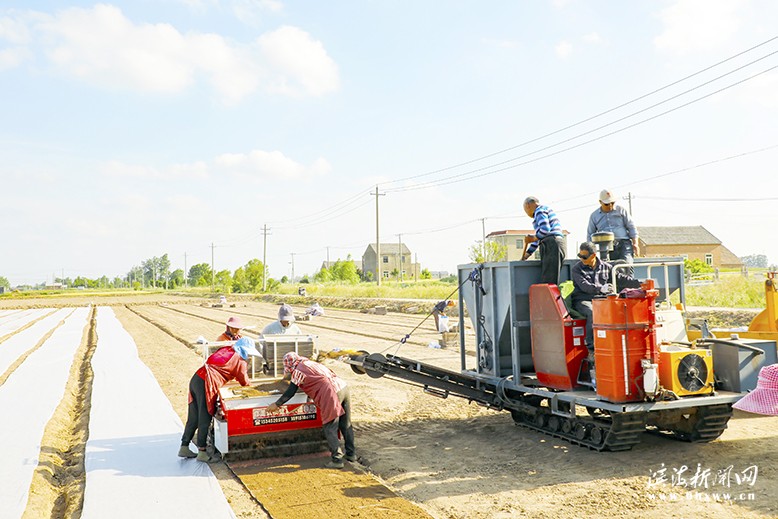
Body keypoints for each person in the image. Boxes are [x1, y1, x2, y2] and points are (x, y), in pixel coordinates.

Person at [266, 352, 357, 469]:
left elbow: (291, 391)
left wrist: (277, 404)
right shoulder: (310, 363)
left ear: (290, 366)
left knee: (330, 426)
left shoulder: (298, 371)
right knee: (345, 423)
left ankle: (337, 459)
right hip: (343, 386)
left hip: (331, 391)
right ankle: (351, 454)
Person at [179, 337, 264, 462]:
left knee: (194, 416)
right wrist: (254, 390)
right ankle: (202, 452)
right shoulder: (240, 359)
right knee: (205, 416)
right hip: (206, 382)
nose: (249, 357)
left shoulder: (226, 349)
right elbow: (244, 381)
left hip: (197, 378)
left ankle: (184, 446)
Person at [571, 242, 641, 353]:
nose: (581, 259)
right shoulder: (577, 269)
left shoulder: (606, 267)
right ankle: (592, 349)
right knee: (592, 312)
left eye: (584, 257)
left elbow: (621, 278)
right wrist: (600, 288)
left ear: (593, 255)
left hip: (602, 299)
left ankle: (620, 344)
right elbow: (585, 286)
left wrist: (640, 283)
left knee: (621, 311)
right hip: (583, 299)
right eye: (580, 256)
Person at [521, 196, 566, 285]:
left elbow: (545, 230)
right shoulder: (545, 210)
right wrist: (527, 254)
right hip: (556, 242)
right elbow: (539, 238)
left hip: (551, 244)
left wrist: (532, 238)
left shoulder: (539, 210)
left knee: (549, 282)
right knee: (550, 278)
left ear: (527, 205)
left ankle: (548, 299)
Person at [587, 189, 640, 264]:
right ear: (600, 202)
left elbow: (631, 226)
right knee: (608, 268)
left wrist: (635, 244)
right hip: (605, 247)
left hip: (624, 244)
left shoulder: (621, 210)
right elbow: (590, 234)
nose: (610, 205)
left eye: (612, 203)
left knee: (627, 266)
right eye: (607, 204)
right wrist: (590, 251)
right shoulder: (594, 216)